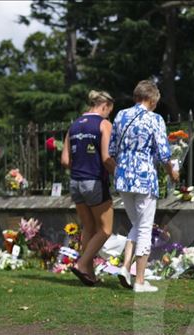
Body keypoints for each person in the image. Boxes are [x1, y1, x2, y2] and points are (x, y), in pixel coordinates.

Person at [109, 79, 179, 292]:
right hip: (144, 178)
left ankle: (125, 267)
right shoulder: (154, 119)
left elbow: (112, 149)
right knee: (145, 228)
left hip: (123, 177)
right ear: (151, 99)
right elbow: (165, 154)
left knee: (138, 225)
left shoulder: (120, 115)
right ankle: (139, 281)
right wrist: (172, 172)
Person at [61, 90, 116, 286]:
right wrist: (119, 174)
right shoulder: (103, 124)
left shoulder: (74, 125)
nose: (109, 115)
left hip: (75, 182)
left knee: (89, 228)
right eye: (109, 111)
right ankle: (82, 264)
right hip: (94, 181)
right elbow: (106, 158)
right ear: (105, 106)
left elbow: (65, 159)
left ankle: (89, 274)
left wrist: (80, 167)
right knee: (106, 230)